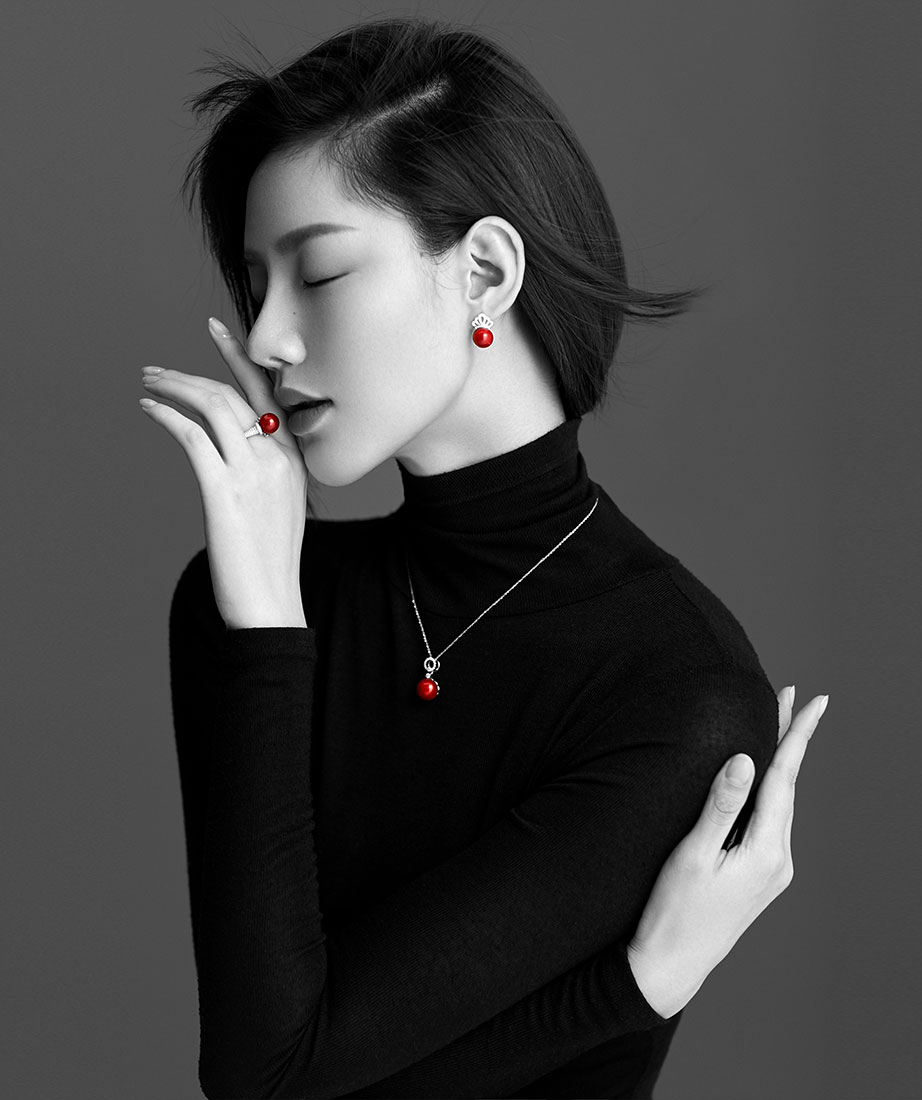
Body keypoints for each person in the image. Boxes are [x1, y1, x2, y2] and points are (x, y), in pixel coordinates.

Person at [140, 16, 830, 1099]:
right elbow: (262, 1076)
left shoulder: (672, 687)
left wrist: (630, 993)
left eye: (317, 273)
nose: (266, 338)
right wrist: (636, 985)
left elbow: (275, 1082)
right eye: (256, 283)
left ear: (486, 270)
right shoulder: (254, 600)